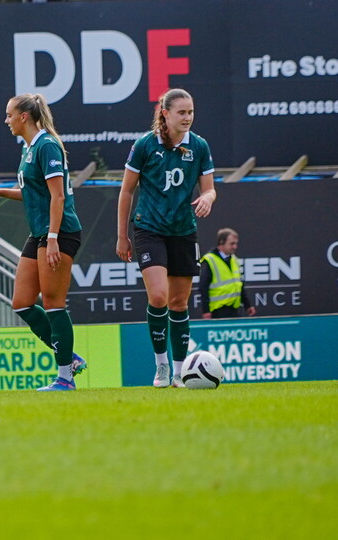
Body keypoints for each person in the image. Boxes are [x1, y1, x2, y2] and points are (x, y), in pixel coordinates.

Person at [0, 94, 86, 392]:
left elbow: (59, 196)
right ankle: (69, 357)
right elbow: (32, 192)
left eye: (9, 114)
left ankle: (65, 377)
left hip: (59, 232)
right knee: (22, 303)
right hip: (40, 232)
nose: (6, 120)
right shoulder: (29, 148)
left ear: (24, 116)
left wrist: (52, 239)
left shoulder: (47, 145)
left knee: (53, 303)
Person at [116, 88, 217, 388]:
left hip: (183, 231)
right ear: (165, 113)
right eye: (182, 112)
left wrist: (209, 198)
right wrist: (122, 236)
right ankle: (160, 365)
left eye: (191, 112)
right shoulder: (146, 145)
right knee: (158, 297)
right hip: (148, 228)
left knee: (178, 303)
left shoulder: (199, 146)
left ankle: (178, 372)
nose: (188, 117)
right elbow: (126, 191)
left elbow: (209, 188)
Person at [200, 228, 256, 319]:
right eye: (232, 244)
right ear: (221, 242)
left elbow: (239, 285)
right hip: (218, 310)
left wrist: (248, 305)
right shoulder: (210, 260)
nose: (235, 247)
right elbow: (203, 287)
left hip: (235, 309)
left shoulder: (234, 259)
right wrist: (206, 310)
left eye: (236, 243)